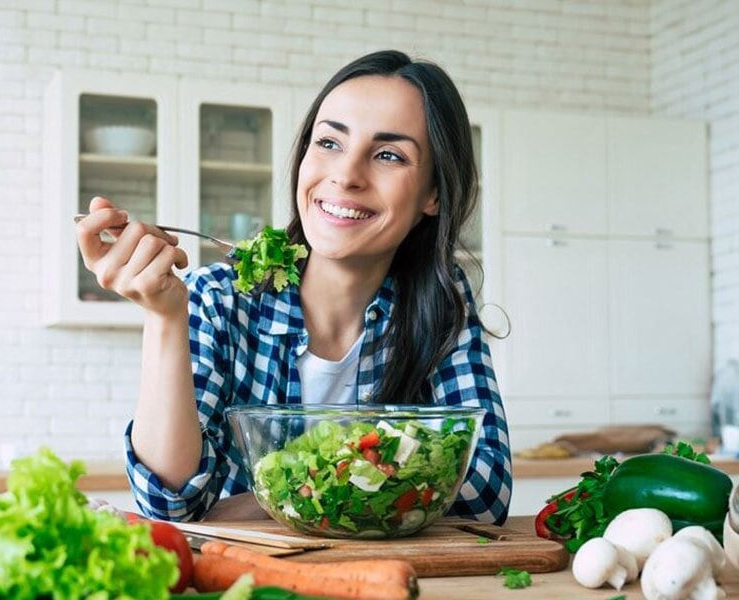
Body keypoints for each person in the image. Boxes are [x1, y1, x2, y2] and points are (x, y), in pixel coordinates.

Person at [75, 49, 511, 525]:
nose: (346, 175)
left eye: (388, 155)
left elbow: (484, 492)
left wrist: (271, 497)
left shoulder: (443, 303)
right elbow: (172, 503)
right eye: (329, 143)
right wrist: (163, 317)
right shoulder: (218, 298)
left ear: (433, 194)